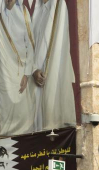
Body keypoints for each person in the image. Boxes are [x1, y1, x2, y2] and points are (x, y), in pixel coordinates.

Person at [0, 0, 37, 136]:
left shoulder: (23, 13)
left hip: (20, 72)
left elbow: (30, 44)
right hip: (4, 74)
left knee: (23, 112)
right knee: (4, 112)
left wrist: (27, 73)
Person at [32, 0, 76, 130]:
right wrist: (33, 69)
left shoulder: (58, 5)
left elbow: (57, 46)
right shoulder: (37, 10)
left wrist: (45, 70)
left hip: (50, 72)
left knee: (51, 116)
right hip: (34, 75)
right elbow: (32, 45)